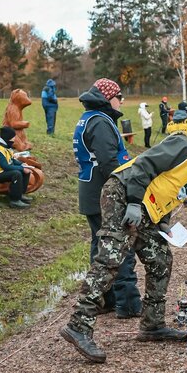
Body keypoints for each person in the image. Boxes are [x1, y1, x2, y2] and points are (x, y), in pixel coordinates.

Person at [60, 127, 187, 362]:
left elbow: (168, 190)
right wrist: (133, 202)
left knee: (161, 260)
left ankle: (152, 324)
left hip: (147, 211)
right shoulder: (185, 146)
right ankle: (79, 325)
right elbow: (144, 165)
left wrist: (163, 222)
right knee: (110, 260)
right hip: (123, 195)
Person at [73, 78, 142, 320]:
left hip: (91, 191)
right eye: (119, 96)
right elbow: (110, 163)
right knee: (119, 246)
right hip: (104, 193)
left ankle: (105, 300)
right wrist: (127, 191)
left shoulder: (90, 118)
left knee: (100, 247)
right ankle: (128, 304)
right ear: (108, 98)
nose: (121, 101)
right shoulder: (101, 122)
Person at [0, 126, 32, 209]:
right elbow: (5, 166)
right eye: (13, 137)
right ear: (8, 138)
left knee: (25, 171)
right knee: (16, 174)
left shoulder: (6, 147)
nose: (14, 139)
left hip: (1, 171)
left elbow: (12, 160)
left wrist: (22, 165)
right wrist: (21, 169)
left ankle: (20, 194)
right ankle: (15, 200)